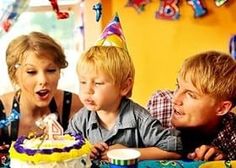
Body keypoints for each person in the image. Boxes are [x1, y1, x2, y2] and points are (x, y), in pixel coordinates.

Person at [147, 51, 236, 161]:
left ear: (222, 108)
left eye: (191, 94)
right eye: (178, 86)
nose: (175, 99)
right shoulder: (161, 104)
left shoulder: (232, 135)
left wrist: (222, 161)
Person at [0, 31, 83, 146]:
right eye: (31, 72)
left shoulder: (75, 105)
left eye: (51, 70)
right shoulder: (2, 112)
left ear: (59, 72)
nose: (43, 80)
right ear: (14, 75)